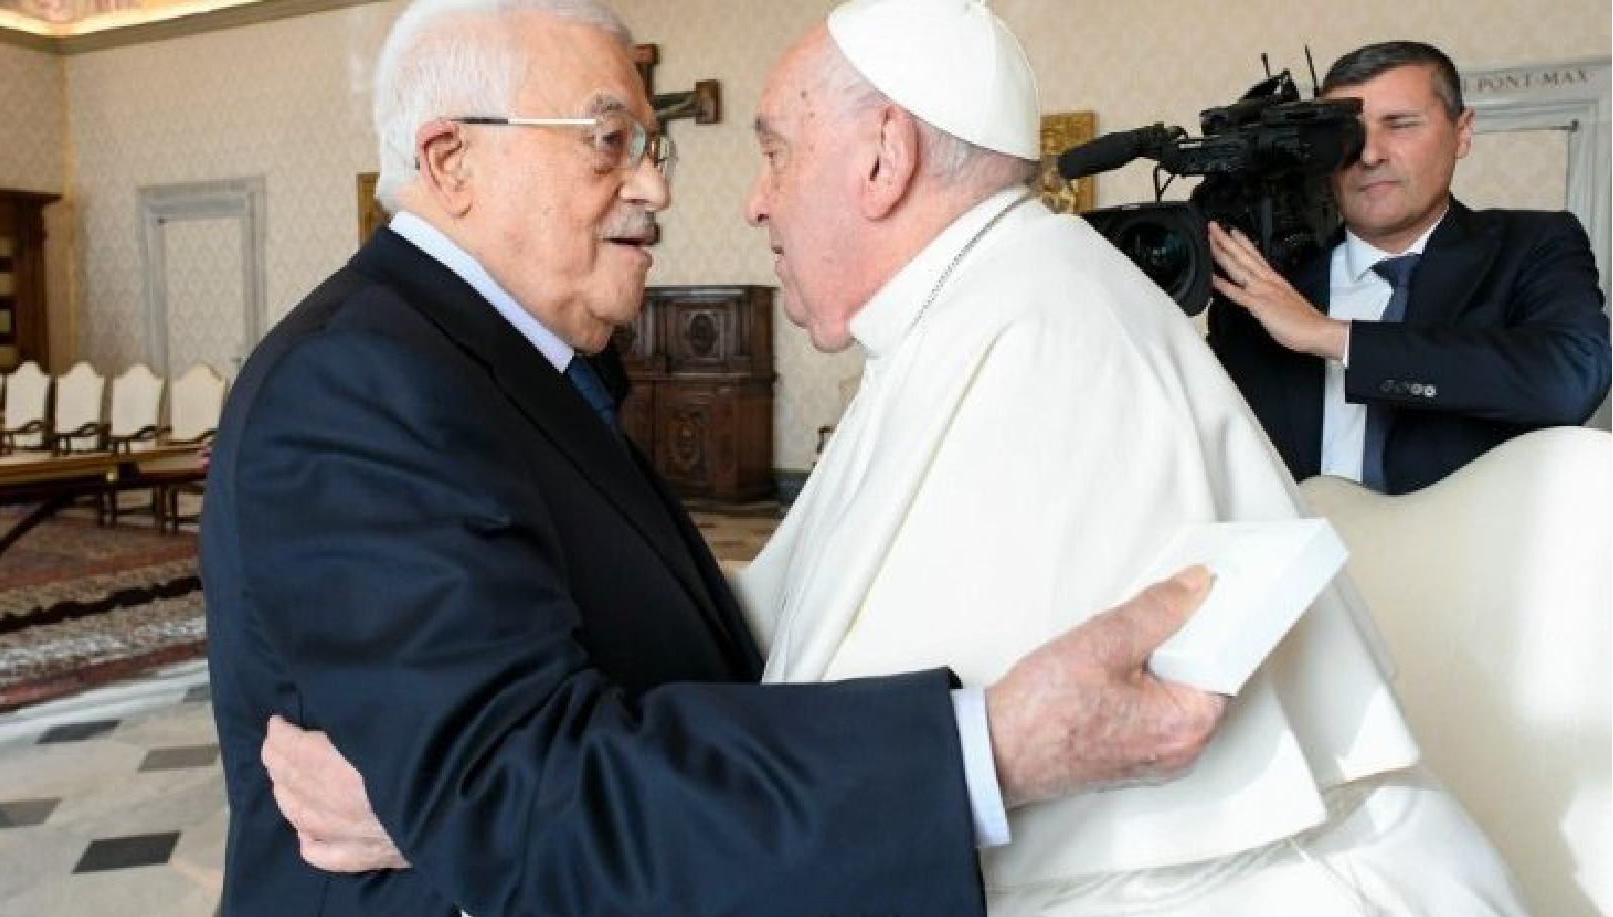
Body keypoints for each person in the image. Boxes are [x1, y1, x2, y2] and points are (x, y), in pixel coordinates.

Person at [265, 2, 1531, 914]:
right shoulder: (981, 307)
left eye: (772, 149)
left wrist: (473, 801)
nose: (742, 199)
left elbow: (918, 731)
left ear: (882, 158)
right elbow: (792, 643)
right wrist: (470, 787)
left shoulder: (1031, 326)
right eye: (612, 141)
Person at [1207, 39, 1610, 495]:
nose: (1369, 154)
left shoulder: (1532, 245)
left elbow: (1567, 383)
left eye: (1398, 125)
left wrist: (1332, 337)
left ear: (1462, 133)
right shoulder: (1265, 286)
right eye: (1346, 133)